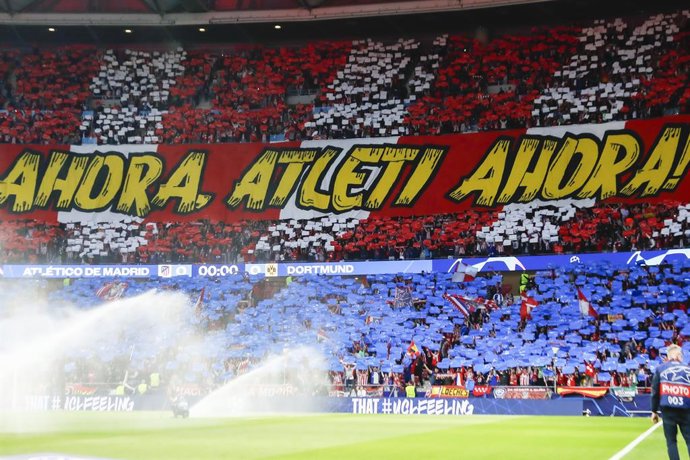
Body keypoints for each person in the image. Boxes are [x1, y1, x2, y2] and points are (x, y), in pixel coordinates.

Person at [651, 344, 690, 460]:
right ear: (677, 355)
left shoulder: (660, 369)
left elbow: (654, 392)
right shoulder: (688, 369)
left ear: (669, 356)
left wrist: (654, 411)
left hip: (668, 410)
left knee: (671, 442)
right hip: (686, 410)